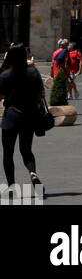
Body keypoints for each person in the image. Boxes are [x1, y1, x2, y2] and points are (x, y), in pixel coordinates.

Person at [0, 44, 45, 189]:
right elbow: (41, 95)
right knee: (26, 150)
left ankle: (12, 186)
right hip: (29, 115)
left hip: (11, 116)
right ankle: (33, 173)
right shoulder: (33, 72)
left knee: (8, 152)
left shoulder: (6, 75)